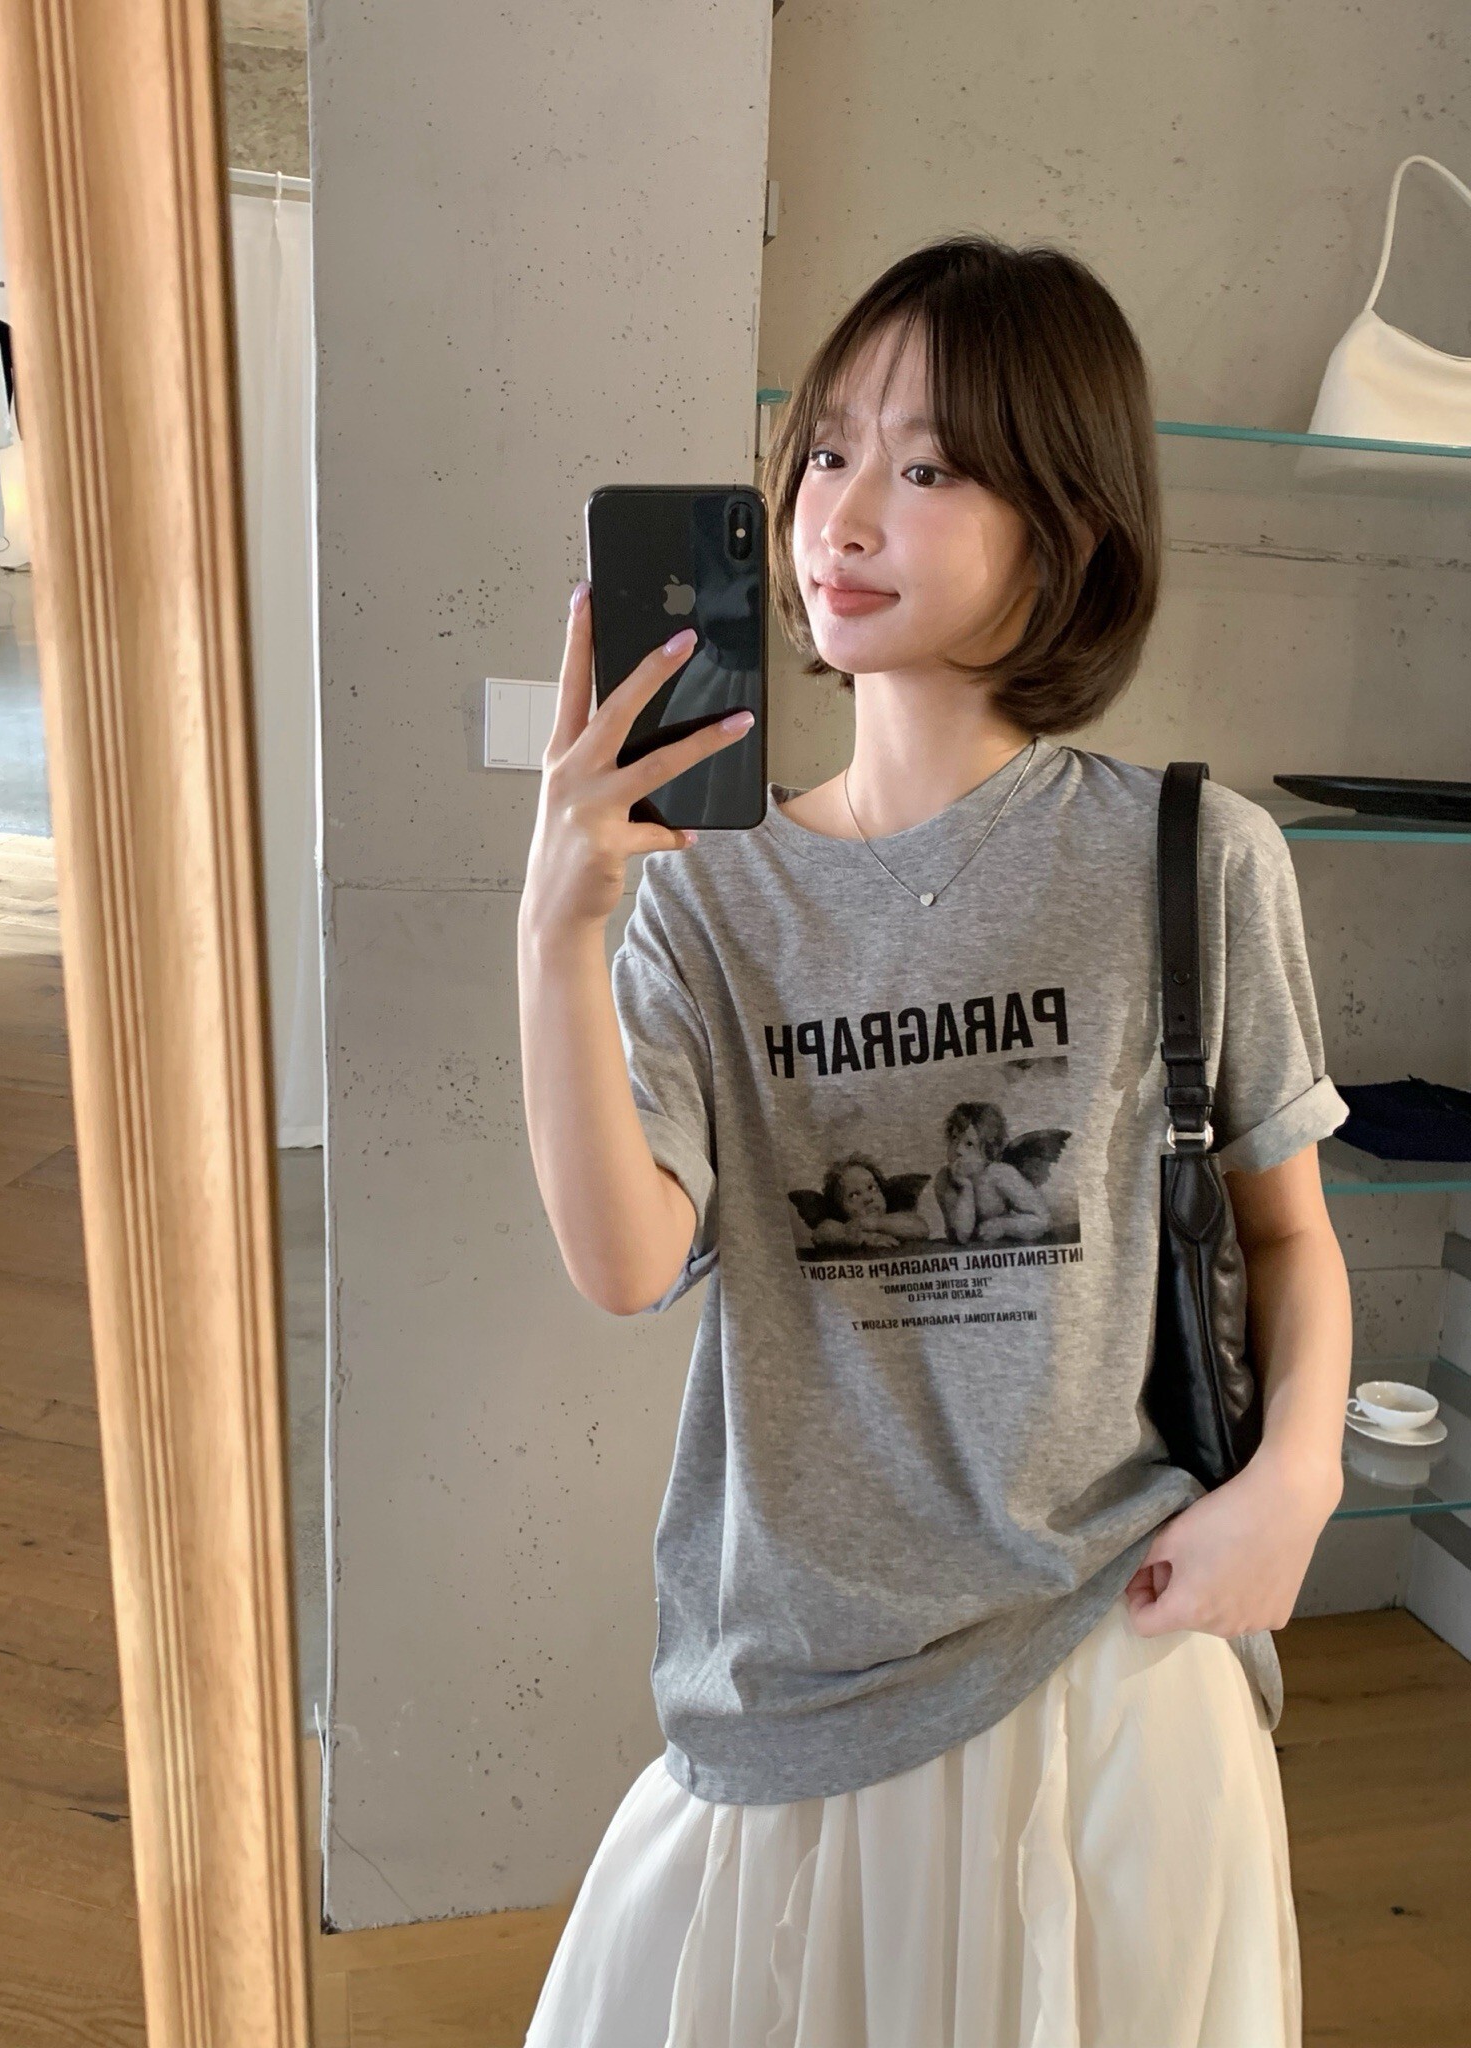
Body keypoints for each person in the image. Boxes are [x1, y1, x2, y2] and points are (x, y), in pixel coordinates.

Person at [516, 233, 1353, 2048]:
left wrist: (1299, 1482)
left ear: (1070, 529)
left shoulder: (1194, 859)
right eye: (826, 450)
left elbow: (1286, 1232)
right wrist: (557, 931)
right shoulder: (706, 895)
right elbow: (627, 1262)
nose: (840, 513)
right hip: (791, 1675)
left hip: (1108, 1659)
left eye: (929, 466)